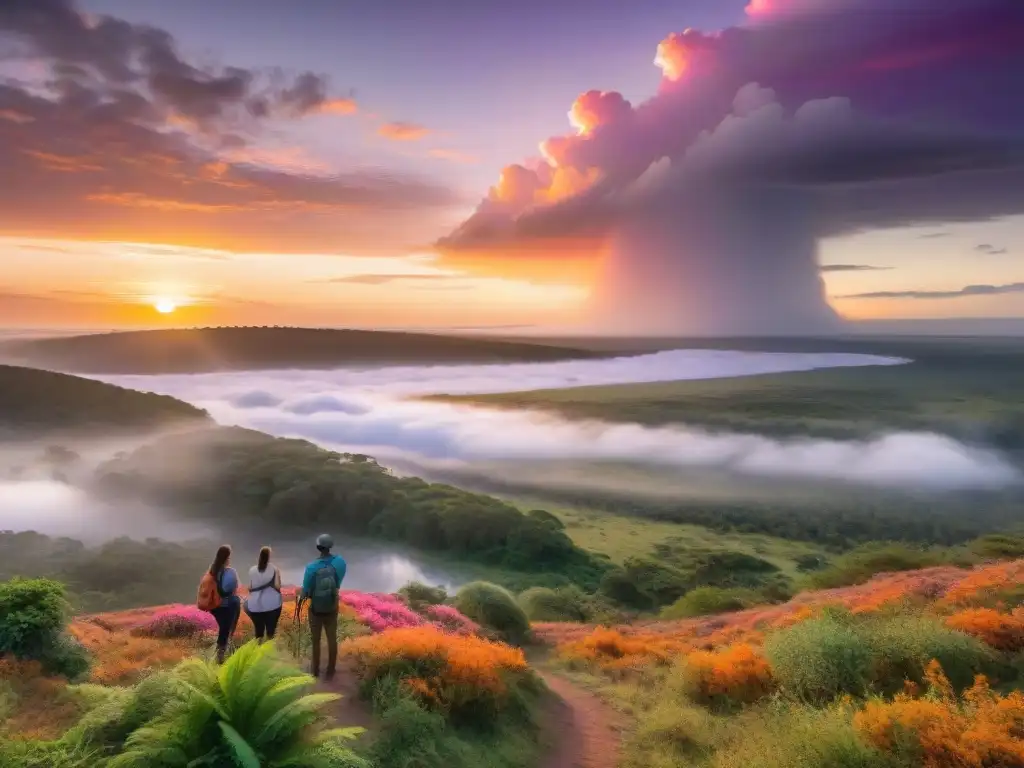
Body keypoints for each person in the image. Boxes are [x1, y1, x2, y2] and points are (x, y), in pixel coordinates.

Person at [299, 533, 347, 680]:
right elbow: (338, 582)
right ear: (330, 546)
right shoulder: (340, 562)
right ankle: (331, 670)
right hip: (332, 606)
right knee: (332, 638)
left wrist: (303, 596)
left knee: (316, 639)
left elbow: (306, 591)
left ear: (318, 547)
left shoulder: (311, 567)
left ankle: (315, 671)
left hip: (316, 609)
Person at [205, 545, 240, 663]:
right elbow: (230, 589)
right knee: (226, 632)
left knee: (222, 631)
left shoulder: (212, 570)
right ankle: (220, 658)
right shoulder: (230, 572)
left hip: (214, 607)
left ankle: (218, 654)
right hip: (227, 606)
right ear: (227, 557)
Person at [244, 546, 282, 642]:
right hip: (272, 605)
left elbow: (250, 587)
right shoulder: (274, 569)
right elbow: (278, 586)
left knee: (259, 633)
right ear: (269, 556)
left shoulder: (252, 570)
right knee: (270, 633)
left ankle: (258, 653)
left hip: (255, 606)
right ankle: (269, 653)